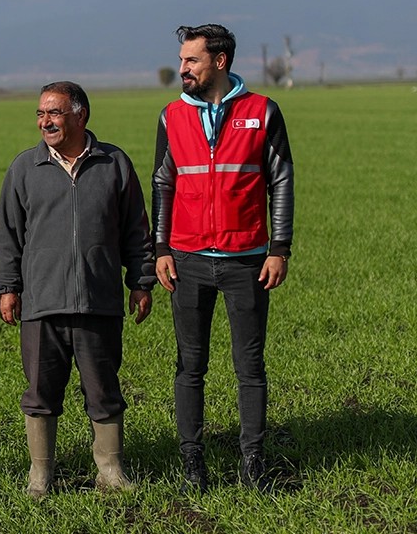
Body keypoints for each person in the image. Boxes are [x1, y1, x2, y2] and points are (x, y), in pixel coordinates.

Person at [0, 81, 155, 498]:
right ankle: (40, 475)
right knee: (41, 392)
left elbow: (136, 229)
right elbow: (7, 236)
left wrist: (141, 281)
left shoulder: (114, 163)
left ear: (81, 115)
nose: (46, 121)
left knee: (104, 389)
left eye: (55, 113)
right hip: (41, 304)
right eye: (41, 114)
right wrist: (8, 287)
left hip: (99, 301)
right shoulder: (25, 168)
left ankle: (110, 471)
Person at [152, 24, 295, 494]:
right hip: (188, 260)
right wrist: (160, 248)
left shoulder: (262, 112)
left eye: (191, 60)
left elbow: (281, 181)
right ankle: (192, 462)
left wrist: (279, 248)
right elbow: (163, 183)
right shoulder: (172, 116)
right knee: (189, 366)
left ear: (219, 61)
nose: (182, 68)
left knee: (249, 368)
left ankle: (252, 462)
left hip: (247, 262)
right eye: (181, 59)